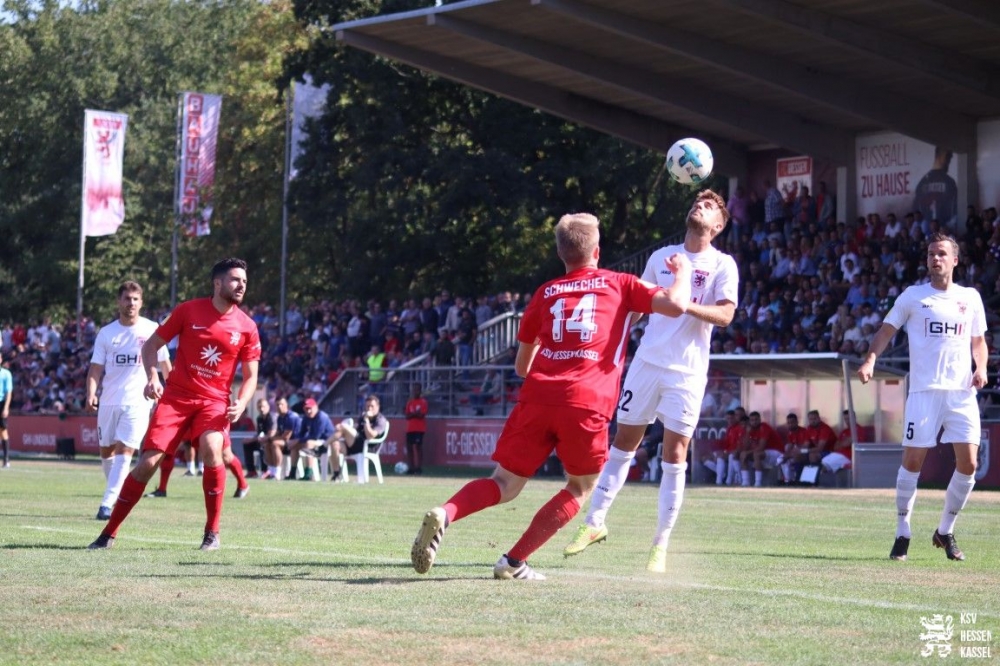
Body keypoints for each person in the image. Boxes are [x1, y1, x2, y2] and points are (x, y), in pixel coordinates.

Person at [410, 211, 692, 581]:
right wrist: (682, 271)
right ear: (597, 250)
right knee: (580, 487)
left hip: (538, 396)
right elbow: (676, 305)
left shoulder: (545, 292)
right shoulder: (619, 283)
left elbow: (522, 367)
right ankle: (513, 562)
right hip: (586, 402)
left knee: (503, 483)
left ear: (562, 254)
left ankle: (445, 513)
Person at [563, 189, 737, 573]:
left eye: (707, 207)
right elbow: (637, 307)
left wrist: (682, 301)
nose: (699, 207)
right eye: (697, 203)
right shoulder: (662, 257)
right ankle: (594, 524)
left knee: (674, 456)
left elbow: (725, 315)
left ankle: (660, 545)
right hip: (647, 364)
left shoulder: (723, 264)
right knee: (623, 444)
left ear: (718, 226)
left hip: (688, 372)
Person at [88, 257, 261, 551]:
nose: (241, 285)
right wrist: (153, 377)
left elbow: (252, 375)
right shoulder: (188, 310)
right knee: (148, 464)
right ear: (217, 283)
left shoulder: (247, 326)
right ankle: (108, 533)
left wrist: (243, 401)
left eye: (244, 281)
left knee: (211, 449)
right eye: (235, 279)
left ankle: (212, 532)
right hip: (177, 398)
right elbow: (151, 346)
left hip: (214, 401)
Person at [857, 233, 987, 563]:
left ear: (955, 260)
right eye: (931, 254)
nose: (935, 258)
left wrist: (981, 367)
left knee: (969, 464)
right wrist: (871, 358)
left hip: (961, 393)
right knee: (913, 463)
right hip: (924, 393)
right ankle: (903, 533)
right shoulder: (914, 296)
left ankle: (945, 531)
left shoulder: (970, 297)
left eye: (942, 253)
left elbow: (978, 343)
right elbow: (886, 330)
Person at [86, 281, 172, 520]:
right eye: (127, 299)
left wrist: (172, 393)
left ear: (141, 302)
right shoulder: (107, 333)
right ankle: (115, 492)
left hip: (139, 400)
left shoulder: (152, 329)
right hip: (109, 401)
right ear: (119, 302)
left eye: (135, 299)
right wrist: (91, 393)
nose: (131, 303)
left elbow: (165, 365)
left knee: (126, 448)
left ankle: (107, 504)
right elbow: (95, 369)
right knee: (107, 451)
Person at [329, 394, 388, 482]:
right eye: (367, 406)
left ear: (378, 407)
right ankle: (337, 474)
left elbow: (370, 436)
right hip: (355, 445)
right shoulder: (363, 417)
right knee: (335, 444)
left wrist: (367, 421)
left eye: (372, 406)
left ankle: (323, 446)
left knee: (344, 427)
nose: (369, 408)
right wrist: (343, 430)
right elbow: (356, 429)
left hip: (368, 447)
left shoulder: (380, 420)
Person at [288, 398, 335, 481]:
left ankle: (308, 474)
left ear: (316, 407)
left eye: (310, 408)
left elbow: (316, 436)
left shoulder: (322, 417)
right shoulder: (306, 418)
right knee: (295, 446)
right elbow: (301, 433)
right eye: (306, 409)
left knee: (309, 443)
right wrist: (296, 440)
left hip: (326, 442)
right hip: (314, 441)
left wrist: (299, 440)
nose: (308, 411)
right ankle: (292, 473)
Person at [263, 397, 300, 480]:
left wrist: (272, 439)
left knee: (275, 444)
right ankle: (271, 471)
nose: (279, 406)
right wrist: (269, 438)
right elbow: (279, 432)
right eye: (277, 404)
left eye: (281, 404)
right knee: (267, 444)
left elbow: (286, 437)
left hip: (295, 442)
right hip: (286, 442)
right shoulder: (280, 417)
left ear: (286, 405)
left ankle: (277, 472)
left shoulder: (291, 417)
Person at [242, 397, 276, 478]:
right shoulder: (259, 418)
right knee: (247, 444)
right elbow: (259, 433)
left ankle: (265, 470)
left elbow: (271, 434)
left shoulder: (272, 417)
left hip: (272, 441)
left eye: (263, 406)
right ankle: (251, 471)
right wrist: (250, 440)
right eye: (260, 407)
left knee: (262, 444)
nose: (262, 409)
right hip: (261, 439)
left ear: (268, 407)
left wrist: (258, 439)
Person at [404, 383, 428, 475]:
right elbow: (407, 416)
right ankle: (412, 467)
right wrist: (415, 414)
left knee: (418, 447)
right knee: (409, 447)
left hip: (419, 428)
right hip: (410, 428)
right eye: (414, 390)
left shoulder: (423, 402)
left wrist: (413, 414)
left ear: (420, 391)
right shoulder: (410, 402)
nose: (415, 392)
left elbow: (421, 415)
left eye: (417, 390)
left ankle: (418, 467)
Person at [0, 350, 12, 468]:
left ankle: (6, 459)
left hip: (1, 403)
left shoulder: (6, 374)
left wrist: (6, 407)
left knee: (3, 432)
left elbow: (8, 392)